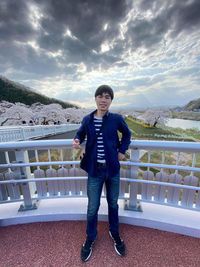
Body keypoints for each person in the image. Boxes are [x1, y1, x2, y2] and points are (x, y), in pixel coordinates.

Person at [72, 85, 131, 262]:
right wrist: (76, 141)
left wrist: (122, 150)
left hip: (112, 169)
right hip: (94, 170)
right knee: (92, 207)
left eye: (107, 97)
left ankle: (115, 233)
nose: (103, 99)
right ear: (95, 98)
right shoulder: (87, 119)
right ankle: (90, 238)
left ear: (111, 100)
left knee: (113, 203)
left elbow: (127, 134)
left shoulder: (116, 119)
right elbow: (80, 134)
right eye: (100, 96)